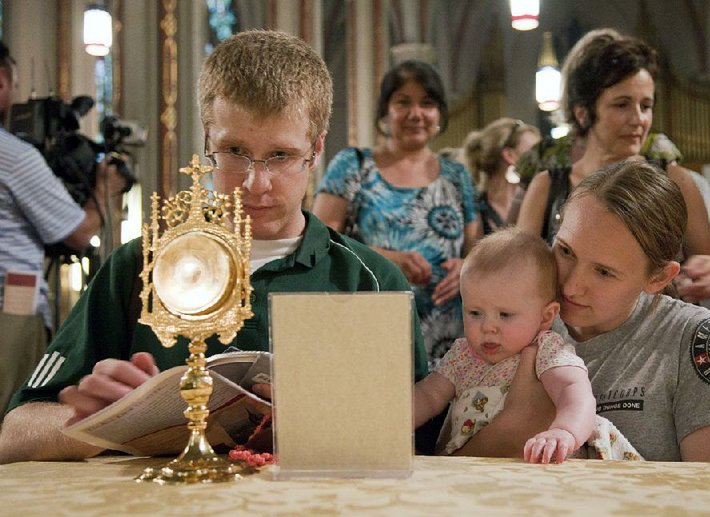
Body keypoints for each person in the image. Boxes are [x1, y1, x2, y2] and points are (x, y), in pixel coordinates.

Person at [0, 30, 429, 464]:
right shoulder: (140, 266)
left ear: (315, 150)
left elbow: (413, 444)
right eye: (234, 151)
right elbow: (14, 431)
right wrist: (106, 422)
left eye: (280, 155)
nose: (255, 184)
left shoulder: (370, 280)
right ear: (208, 140)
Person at [456, 160, 710, 462]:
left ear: (659, 277)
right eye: (565, 250)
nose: (571, 287)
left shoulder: (695, 341)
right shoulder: (517, 319)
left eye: (604, 272)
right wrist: (508, 431)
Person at [516, 30, 710, 304]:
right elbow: (518, 274)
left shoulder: (675, 180)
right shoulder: (546, 186)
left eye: (646, 105)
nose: (638, 119)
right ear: (583, 113)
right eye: (622, 105)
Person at [313, 60, 480, 362]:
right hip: (374, 322)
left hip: (448, 333)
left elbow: (478, 250)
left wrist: (466, 269)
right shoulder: (354, 165)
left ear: (440, 113)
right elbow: (319, 240)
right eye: (403, 102)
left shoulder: (457, 176)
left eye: (427, 103)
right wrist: (390, 261)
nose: (416, 114)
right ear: (385, 112)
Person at [0, 41, 127, 418]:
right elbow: (78, 233)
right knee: (12, 420)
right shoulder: (14, 156)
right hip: (9, 307)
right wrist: (105, 190)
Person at [413, 227, 595, 463]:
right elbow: (428, 395)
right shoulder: (462, 355)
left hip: (541, 463)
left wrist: (564, 431)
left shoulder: (546, 350)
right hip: (479, 468)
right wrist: (387, 420)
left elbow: (575, 392)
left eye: (505, 315)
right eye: (475, 312)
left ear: (546, 316)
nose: (488, 327)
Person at [462, 118, 540, 234]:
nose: (543, 159)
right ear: (509, 155)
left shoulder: (540, 200)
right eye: (535, 151)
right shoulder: (473, 209)